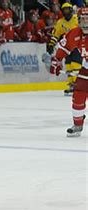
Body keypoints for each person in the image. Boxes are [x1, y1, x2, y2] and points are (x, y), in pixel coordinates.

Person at [50, 7, 88, 137]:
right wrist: (57, 60)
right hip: (86, 68)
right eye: (83, 19)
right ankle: (78, 124)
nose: (86, 22)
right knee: (78, 94)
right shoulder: (75, 33)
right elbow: (63, 47)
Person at [47, 2, 80, 96]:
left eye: (67, 9)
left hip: (77, 45)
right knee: (68, 65)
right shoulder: (60, 22)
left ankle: (77, 84)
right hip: (67, 47)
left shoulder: (77, 19)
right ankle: (71, 84)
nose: (66, 12)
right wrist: (51, 44)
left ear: (71, 10)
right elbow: (56, 34)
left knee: (76, 65)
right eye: (64, 10)